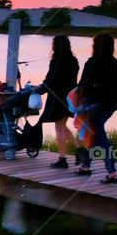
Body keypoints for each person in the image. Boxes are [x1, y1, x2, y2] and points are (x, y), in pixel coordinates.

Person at [74, 33, 117, 184]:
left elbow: (83, 85)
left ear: (96, 45)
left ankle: (112, 173)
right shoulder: (114, 62)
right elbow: (115, 86)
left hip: (92, 105)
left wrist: (79, 101)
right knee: (93, 135)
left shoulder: (93, 62)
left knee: (100, 137)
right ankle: (86, 166)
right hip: (109, 105)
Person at [37, 35, 80, 169]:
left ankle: (62, 159)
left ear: (55, 46)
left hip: (58, 97)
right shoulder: (73, 60)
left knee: (59, 127)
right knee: (63, 125)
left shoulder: (56, 61)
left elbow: (51, 79)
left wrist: (41, 88)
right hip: (70, 97)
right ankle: (80, 152)